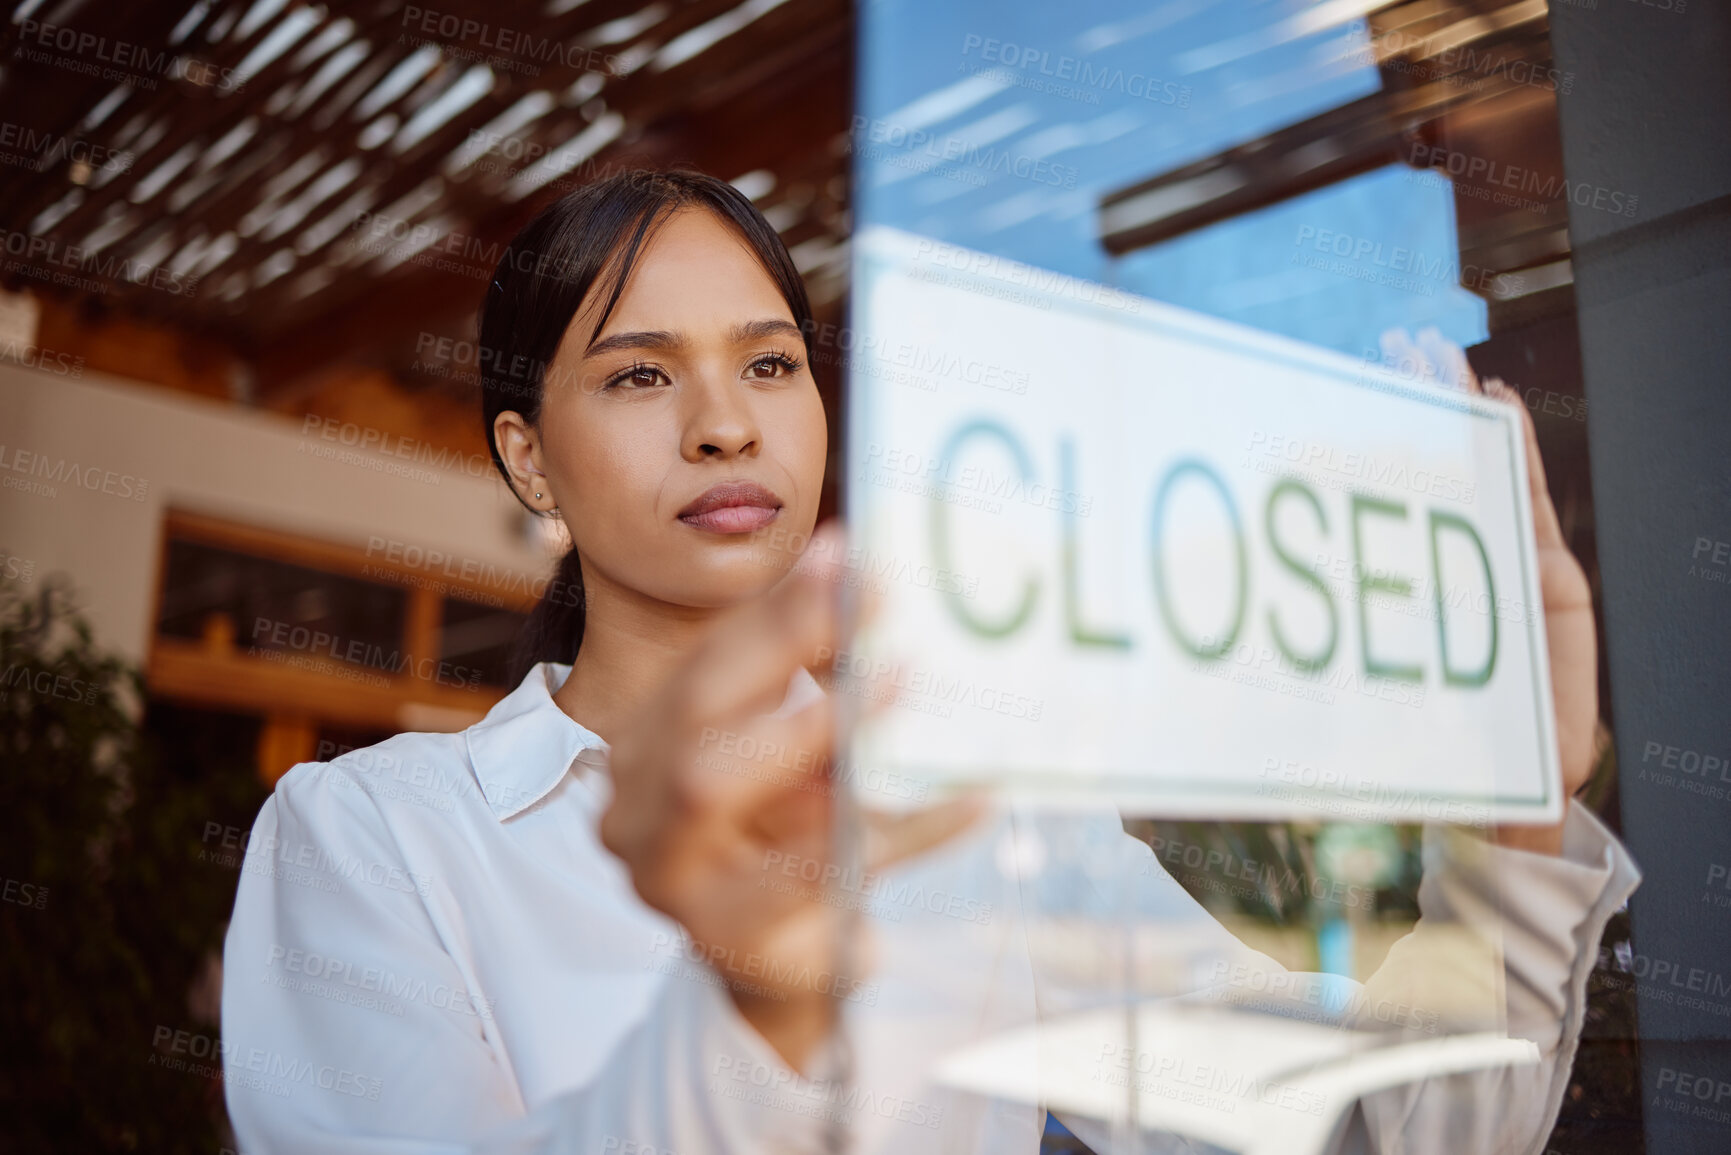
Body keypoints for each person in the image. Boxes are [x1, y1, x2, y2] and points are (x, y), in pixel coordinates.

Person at [220, 169, 1640, 1155]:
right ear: (525, 455)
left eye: (771, 365)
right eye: (642, 373)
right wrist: (758, 1002)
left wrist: (1514, 820)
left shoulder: (982, 816)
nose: (725, 423)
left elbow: (1368, 1134)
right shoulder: (373, 840)